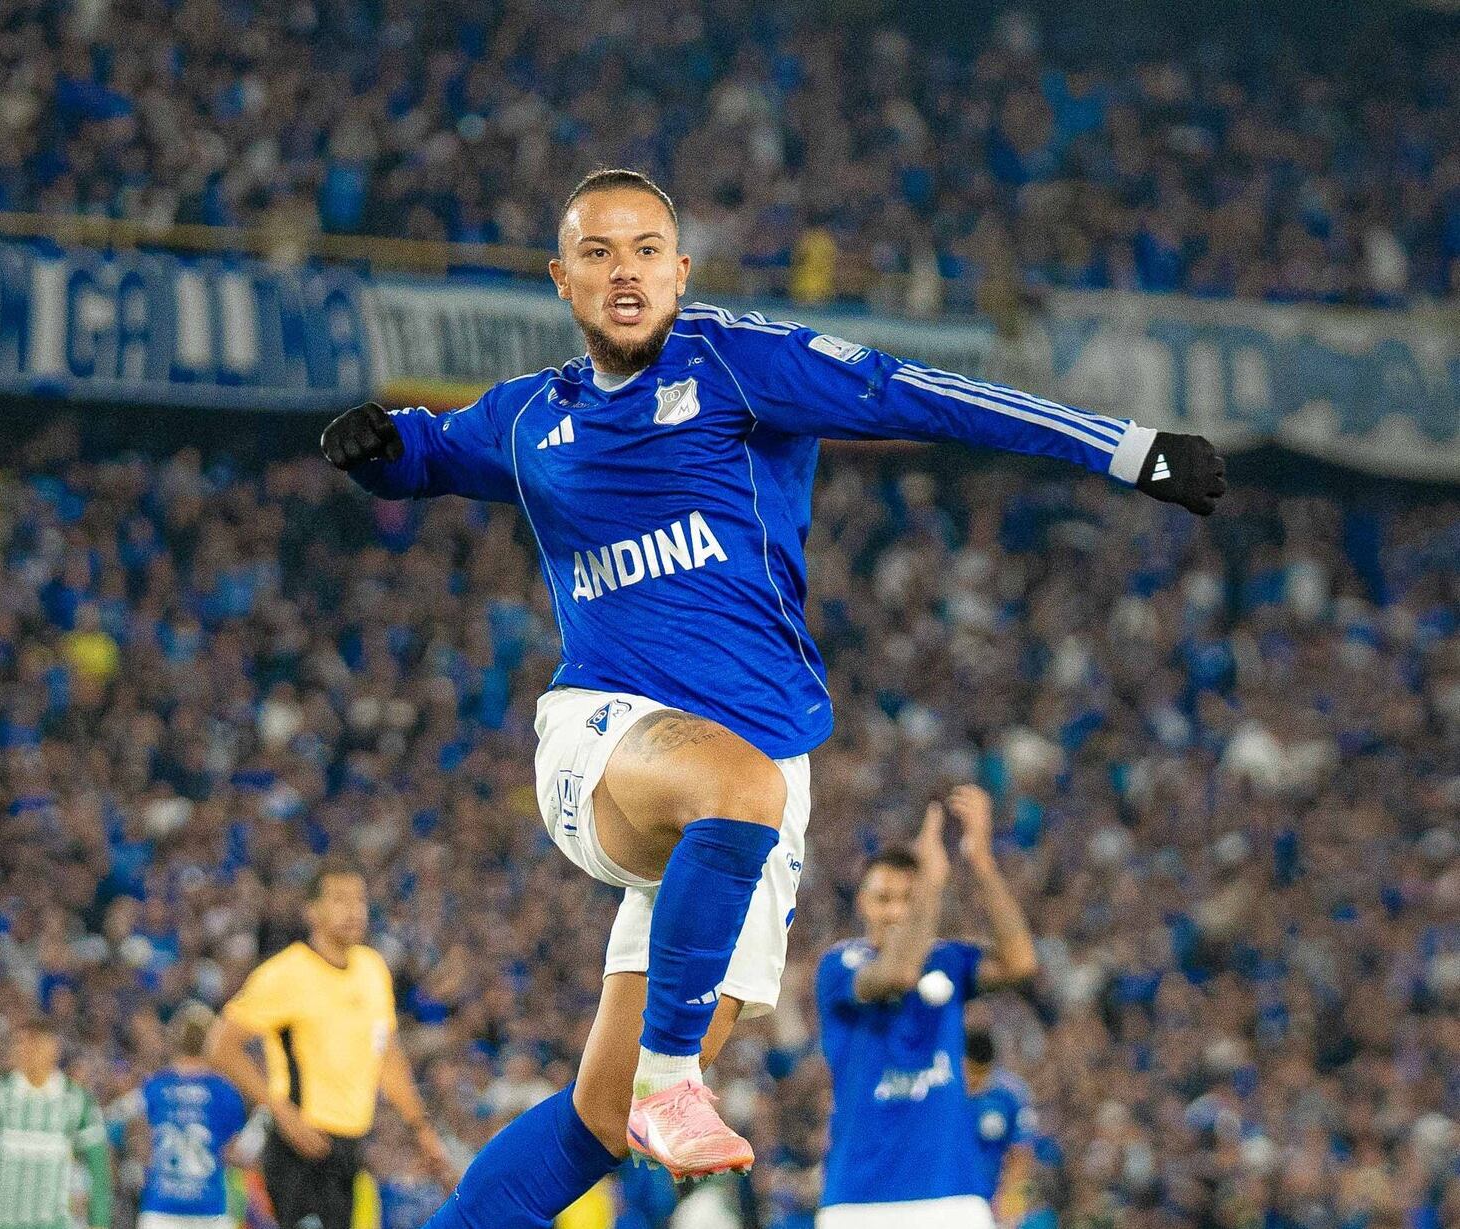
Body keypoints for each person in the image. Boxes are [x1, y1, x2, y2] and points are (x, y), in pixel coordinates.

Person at [319, 168, 1225, 1225]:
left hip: (755, 790)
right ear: (562, 280)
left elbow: (923, 395)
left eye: (646, 251)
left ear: (680, 270)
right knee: (732, 804)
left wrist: (1125, 448)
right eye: (599, 253)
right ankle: (673, 1079)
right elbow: (429, 453)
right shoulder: (533, 417)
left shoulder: (742, 365)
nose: (626, 272)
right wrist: (377, 449)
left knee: (599, 1119)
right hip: (606, 740)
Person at [814, 786, 1037, 1228]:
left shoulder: (948, 961)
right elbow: (897, 974)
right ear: (862, 903)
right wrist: (930, 884)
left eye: (907, 899)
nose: (896, 912)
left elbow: (1020, 961)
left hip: (953, 1196)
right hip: (859, 1202)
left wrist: (981, 863)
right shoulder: (841, 965)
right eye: (883, 899)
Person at [207, 858, 453, 1229]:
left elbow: (387, 1058)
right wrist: (283, 1114)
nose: (353, 911)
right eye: (339, 900)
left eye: (359, 900)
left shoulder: (372, 970)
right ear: (312, 911)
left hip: (349, 1147)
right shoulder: (287, 972)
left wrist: (422, 1129)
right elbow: (221, 1046)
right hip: (300, 1146)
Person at [0, 1018, 113, 1229]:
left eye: (33, 1043)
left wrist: (100, 1221)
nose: (24, 1050)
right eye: (19, 1043)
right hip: (2, 1222)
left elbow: (98, 1167)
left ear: (52, 1048)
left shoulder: (78, 1101)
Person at [109, 1003, 252, 1229]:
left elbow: (118, 1125)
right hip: (210, 1211)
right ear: (211, 1041)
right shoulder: (225, 1092)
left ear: (174, 1041)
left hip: (160, 1209)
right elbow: (234, 1151)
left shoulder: (155, 1087)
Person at [963, 1028, 1037, 1227]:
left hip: (990, 1201)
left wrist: (1011, 1200)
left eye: (981, 1073)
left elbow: (1021, 1153)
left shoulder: (1010, 1095)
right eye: (969, 1071)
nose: (973, 1080)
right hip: (947, 1194)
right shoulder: (943, 1091)